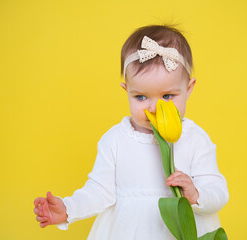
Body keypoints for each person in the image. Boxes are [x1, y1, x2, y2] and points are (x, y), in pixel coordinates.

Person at [33, 24, 229, 239]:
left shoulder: (195, 139)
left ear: (188, 89)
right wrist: (68, 208)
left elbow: (218, 190)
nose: (153, 108)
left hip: (179, 230)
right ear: (126, 91)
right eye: (141, 97)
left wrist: (197, 194)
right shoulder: (115, 140)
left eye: (167, 96)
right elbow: (99, 191)